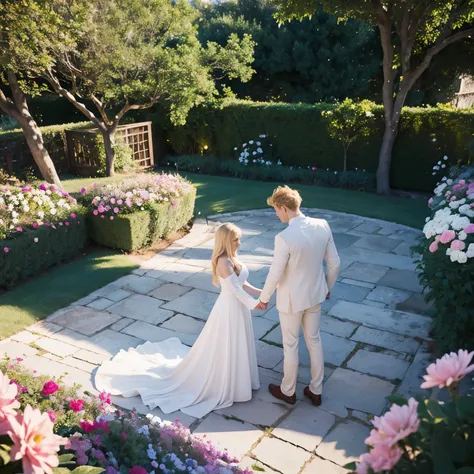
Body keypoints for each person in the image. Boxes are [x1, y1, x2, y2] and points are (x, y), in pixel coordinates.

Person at [95, 223, 261, 418]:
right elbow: (236, 290)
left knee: (237, 343)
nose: (239, 243)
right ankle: (228, 383)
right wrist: (255, 304)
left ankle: (240, 380)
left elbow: (244, 284)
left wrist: (263, 294)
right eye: (235, 240)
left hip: (239, 308)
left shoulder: (233, 258)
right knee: (226, 344)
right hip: (229, 309)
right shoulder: (224, 262)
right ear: (226, 241)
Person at [256, 185, 340, 406]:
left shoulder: (284, 237)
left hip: (292, 301)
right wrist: (327, 287)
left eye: (276, 209)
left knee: (291, 344)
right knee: (314, 340)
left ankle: (288, 391)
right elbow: (334, 263)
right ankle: (316, 390)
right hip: (315, 296)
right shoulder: (323, 225)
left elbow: (275, 274)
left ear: (284, 207)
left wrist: (264, 298)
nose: (275, 214)